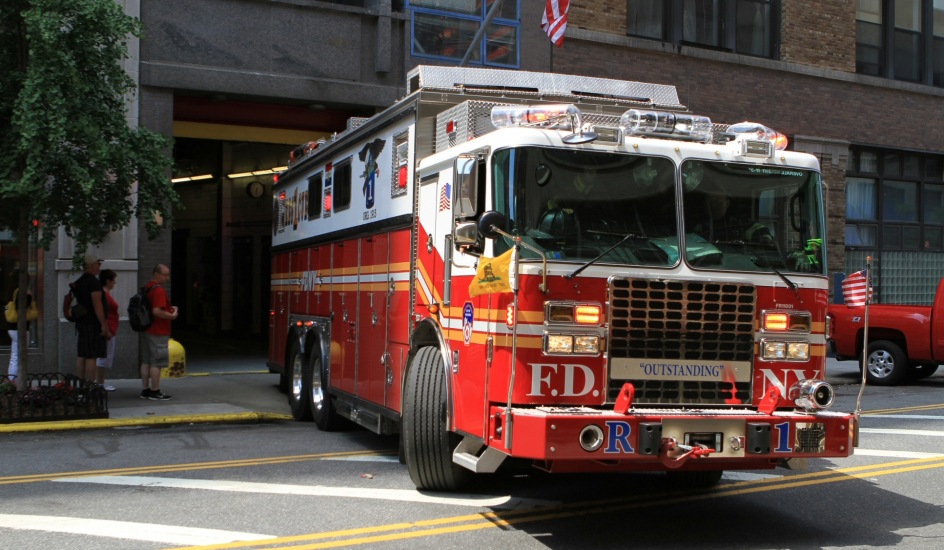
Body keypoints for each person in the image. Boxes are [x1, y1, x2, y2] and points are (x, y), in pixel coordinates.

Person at [140, 263, 178, 400]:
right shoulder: (158, 290)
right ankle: (155, 391)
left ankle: (145, 389)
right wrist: (172, 315)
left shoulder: (147, 288)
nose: (167, 278)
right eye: (165, 275)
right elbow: (157, 311)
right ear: (156, 274)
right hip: (158, 330)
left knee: (146, 361)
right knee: (157, 362)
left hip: (147, 329)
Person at [74, 254, 111, 383]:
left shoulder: (79, 281)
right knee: (91, 355)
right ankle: (90, 385)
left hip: (81, 321)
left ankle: (80, 382)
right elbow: (97, 304)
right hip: (93, 323)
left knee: (82, 354)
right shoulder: (93, 282)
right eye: (98, 264)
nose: (99, 267)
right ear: (92, 265)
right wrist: (103, 324)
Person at [95, 269, 119, 391]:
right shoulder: (104, 295)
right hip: (109, 329)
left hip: (111, 328)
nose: (115, 283)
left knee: (105, 357)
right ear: (108, 281)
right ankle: (100, 383)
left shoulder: (105, 294)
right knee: (104, 357)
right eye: (113, 280)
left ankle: (100, 382)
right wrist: (108, 330)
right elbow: (104, 313)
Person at [6, 271, 32, 380]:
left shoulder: (11, 291)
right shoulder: (21, 292)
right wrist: (29, 295)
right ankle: (14, 382)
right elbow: (22, 307)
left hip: (12, 328)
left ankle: (13, 381)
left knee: (15, 356)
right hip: (20, 328)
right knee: (18, 357)